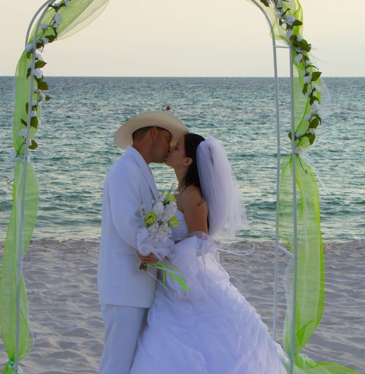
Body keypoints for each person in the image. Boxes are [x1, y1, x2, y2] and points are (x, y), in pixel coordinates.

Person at [131, 133, 287, 374]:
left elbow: (201, 242)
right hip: (174, 279)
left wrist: (164, 253)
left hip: (190, 278)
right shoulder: (177, 192)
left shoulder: (193, 195)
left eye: (178, 147)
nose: (171, 148)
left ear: (187, 161)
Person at [97, 111, 189, 374]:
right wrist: (155, 250)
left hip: (138, 287)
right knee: (116, 364)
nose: (170, 147)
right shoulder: (125, 169)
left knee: (132, 363)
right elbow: (129, 224)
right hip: (124, 286)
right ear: (153, 133)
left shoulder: (140, 169)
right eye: (168, 139)